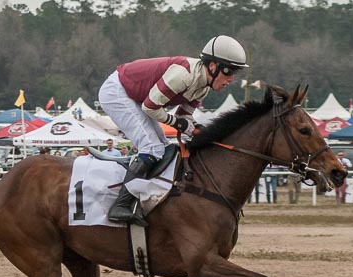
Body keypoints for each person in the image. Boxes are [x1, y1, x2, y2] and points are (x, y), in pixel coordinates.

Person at [99, 35, 247, 223]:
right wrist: (181, 125)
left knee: (162, 146)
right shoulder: (183, 74)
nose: (231, 79)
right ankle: (120, 205)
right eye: (229, 72)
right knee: (152, 148)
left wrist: (196, 129)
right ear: (213, 66)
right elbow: (150, 107)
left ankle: (146, 197)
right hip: (117, 91)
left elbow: (184, 116)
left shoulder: (203, 87)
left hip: (136, 97)